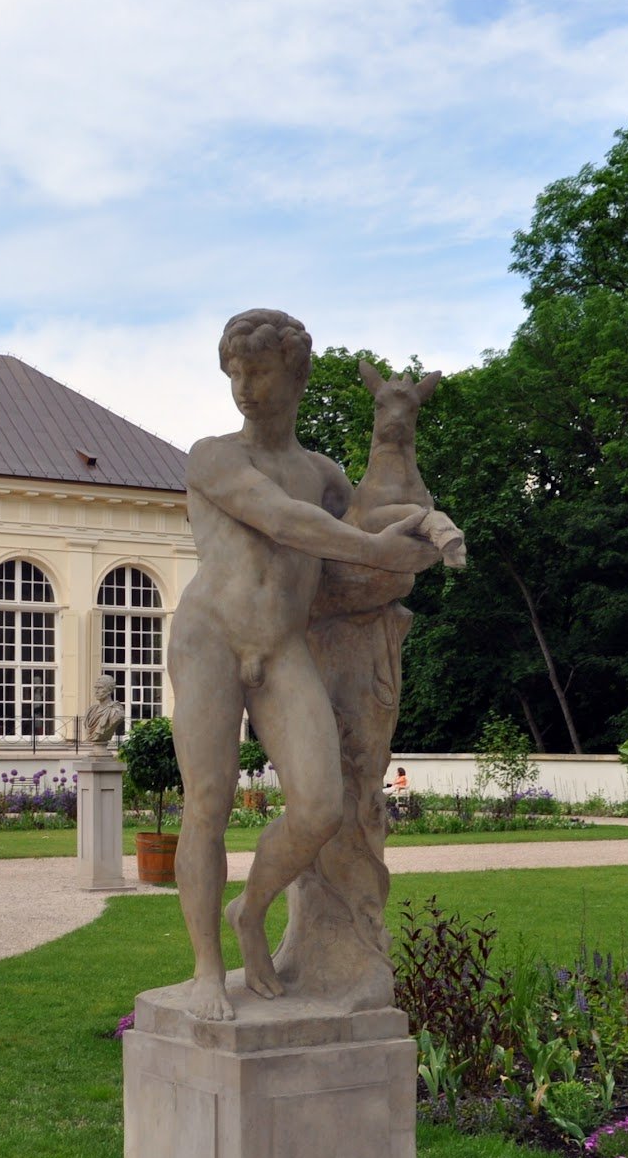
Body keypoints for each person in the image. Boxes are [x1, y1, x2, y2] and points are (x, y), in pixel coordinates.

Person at [167, 309, 441, 1020]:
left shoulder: (322, 473)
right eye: (234, 372)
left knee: (321, 806)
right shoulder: (214, 456)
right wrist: (380, 549)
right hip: (211, 640)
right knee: (207, 804)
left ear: (297, 374)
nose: (244, 387)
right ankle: (205, 971)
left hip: (283, 646)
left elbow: (361, 527)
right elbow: (286, 522)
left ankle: (250, 911)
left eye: (258, 371)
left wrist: (426, 525)